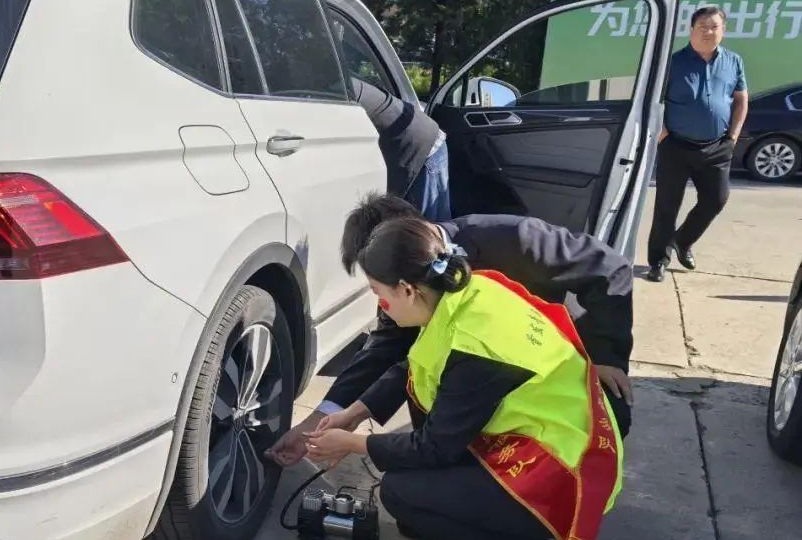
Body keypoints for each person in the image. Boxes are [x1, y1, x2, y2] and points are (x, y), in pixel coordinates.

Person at [302, 218, 625, 540]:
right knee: (416, 490)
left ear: (407, 289)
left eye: (380, 297)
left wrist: (353, 445)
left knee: (400, 492)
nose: (381, 308)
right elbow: (421, 363)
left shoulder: (477, 348)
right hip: (547, 434)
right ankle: (453, 512)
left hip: (559, 468)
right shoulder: (468, 292)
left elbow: (435, 447)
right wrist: (354, 413)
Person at [268, 193, 634, 466]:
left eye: (381, 285)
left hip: (558, 366)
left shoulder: (511, 240)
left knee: (609, 414)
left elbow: (611, 268)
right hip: (488, 378)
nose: (381, 297)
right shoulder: (399, 282)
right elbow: (383, 356)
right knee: (421, 392)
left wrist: (605, 356)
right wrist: (317, 423)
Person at [647, 5, 748, 283]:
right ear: (691, 29)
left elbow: (740, 99)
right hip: (676, 145)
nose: (708, 31)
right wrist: (663, 133)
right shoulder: (674, 62)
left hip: (717, 147)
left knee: (716, 199)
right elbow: (655, 100)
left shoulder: (733, 61)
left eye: (714, 26)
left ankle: (683, 240)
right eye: (702, 26)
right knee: (667, 206)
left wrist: (733, 137)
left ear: (723, 31)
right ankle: (658, 260)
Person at [349, 77, 451, 222]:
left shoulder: (336, 88)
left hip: (424, 147)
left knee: (428, 233)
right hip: (412, 137)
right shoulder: (330, 82)